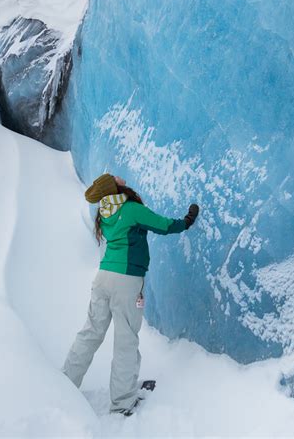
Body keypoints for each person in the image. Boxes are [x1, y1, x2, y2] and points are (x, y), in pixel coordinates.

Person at [62, 172, 199, 416]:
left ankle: (64, 386)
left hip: (103, 278)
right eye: (115, 178)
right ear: (112, 186)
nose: (120, 177)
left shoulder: (104, 212)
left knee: (90, 333)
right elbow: (164, 225)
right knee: (125, 340)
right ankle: (123, 402)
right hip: (126, 281)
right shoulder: (130, 208)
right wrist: (187, 221)